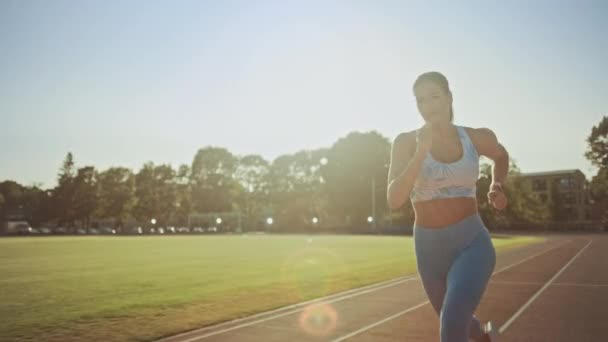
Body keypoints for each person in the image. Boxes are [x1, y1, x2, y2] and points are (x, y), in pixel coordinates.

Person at [386, 71, 509, 342]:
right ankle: (485, 339)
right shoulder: (406, 142)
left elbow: (501, 156)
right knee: (455, 320)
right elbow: (394, 199)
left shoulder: (476, 137)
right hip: (428, 250)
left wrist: (496, 185)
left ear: (449, 98)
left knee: (452, 323)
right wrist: (421, 152)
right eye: (420, 101)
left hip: (471, 243)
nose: (428, 106)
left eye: (434, 97)